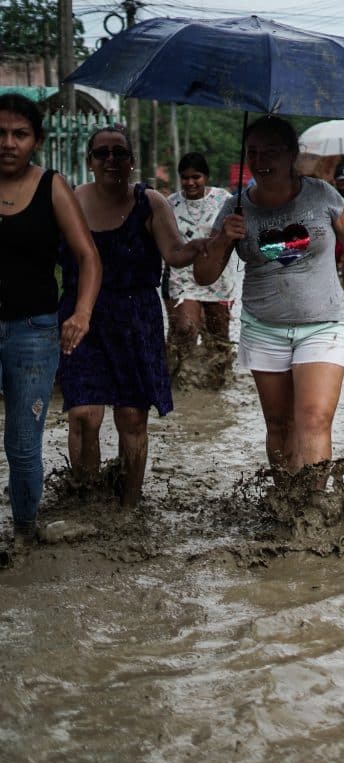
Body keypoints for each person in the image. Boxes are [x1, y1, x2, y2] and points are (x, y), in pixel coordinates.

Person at [196, 115, 344, 474]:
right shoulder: (235, 208)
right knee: (280, 425)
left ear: (291, 155)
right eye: (253, 152)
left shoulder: (321, 195)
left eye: (271, 152)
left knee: (314, 419)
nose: (260, 161)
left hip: (323, 325)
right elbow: (204, 275)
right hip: (263, 328)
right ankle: (287, 498)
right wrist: (223, 238)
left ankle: (312, 503)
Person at [59, 124, 207, 507]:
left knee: (131, 416)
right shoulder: (70, 201)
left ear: (132, 161)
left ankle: (129, 508)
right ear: (90, 161)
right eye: (102, 153)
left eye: (119, 153)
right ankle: (88, 503)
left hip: (136, 318)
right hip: (82, 317)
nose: (111, 160)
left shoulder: (150, 202)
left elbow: (175, 254)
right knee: (84, 413)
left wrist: (206, 244)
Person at [0, 93, 101, 536]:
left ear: (36, 141)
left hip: (34, 333)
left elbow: (88, 256)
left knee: (23, 444)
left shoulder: (53, 187)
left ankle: (24, 535)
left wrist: (82, 313)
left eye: (19, 134)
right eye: (1, 133)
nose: (8, 143)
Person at [165, 152, 239, 375]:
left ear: (206, 177)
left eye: (195, 177)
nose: (190, 182)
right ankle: (178, 383)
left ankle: (217, 386)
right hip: (182, 277)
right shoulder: (170, 204)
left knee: (219, 341)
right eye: (185, 177)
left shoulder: (224, 200)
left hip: (217, 275)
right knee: (184, 330)